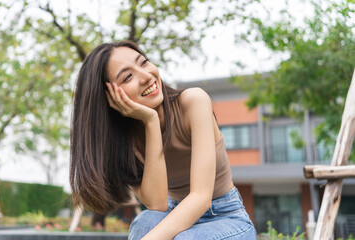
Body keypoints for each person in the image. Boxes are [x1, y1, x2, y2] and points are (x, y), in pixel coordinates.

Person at [70, 41, 257, 239]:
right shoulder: (124, 140)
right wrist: (151, 122)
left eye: (143, 63)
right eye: (128, 77)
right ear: (110, 98)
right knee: (144, 222)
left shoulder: (193, 102)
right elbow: (157, 204)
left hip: (225, 217)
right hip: (172, 212)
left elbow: (201, 198)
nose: (146, 76)